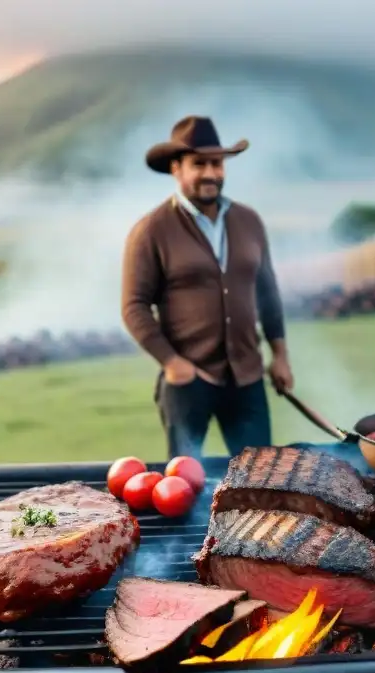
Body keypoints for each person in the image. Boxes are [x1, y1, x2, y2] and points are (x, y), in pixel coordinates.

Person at [121, 115, 294, 459]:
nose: (211, 173)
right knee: (185, 483)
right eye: (199, 164)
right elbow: (134, 306)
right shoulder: (151, 230)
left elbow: (268, 293)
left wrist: (280, 356)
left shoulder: (249, 221)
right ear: (176, 168)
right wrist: (172, 362)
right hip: (189, 382)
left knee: (260, 481)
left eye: (217, 163)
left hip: (247, 378)